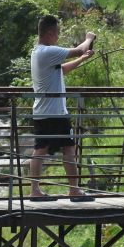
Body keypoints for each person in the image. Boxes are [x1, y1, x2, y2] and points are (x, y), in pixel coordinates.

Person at [28, 15, 96, 201]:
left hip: (48, 112)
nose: (58, 36)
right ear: (50, 32)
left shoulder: (39, 52)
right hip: (53, 113)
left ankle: (46, 190)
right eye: (57, 32)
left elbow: (62, 70)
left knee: (52, 149)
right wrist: (89, 38)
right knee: (55, 150)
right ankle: (67, 190)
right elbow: (79, 48)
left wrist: (82, 59)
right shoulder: (47, 51)